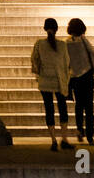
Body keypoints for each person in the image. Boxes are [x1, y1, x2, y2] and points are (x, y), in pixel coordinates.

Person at [31, 17, 72, 150]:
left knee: (49, 109)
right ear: (56, 29)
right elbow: (67, 63)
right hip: (59, 80)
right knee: (62, 108)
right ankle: (64, 139)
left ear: (44, 29)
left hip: (45, 80)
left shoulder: (39, 44)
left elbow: (34, 60)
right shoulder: (62, 45)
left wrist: (38, 73)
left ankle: (53, 140)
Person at [66, 17, 94, 145]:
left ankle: (79, 129)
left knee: (78, 105)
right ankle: (90, 135)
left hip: (74, 77)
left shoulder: (67, 43)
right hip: (87, 76)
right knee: (89, 106)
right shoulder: (83, 40)